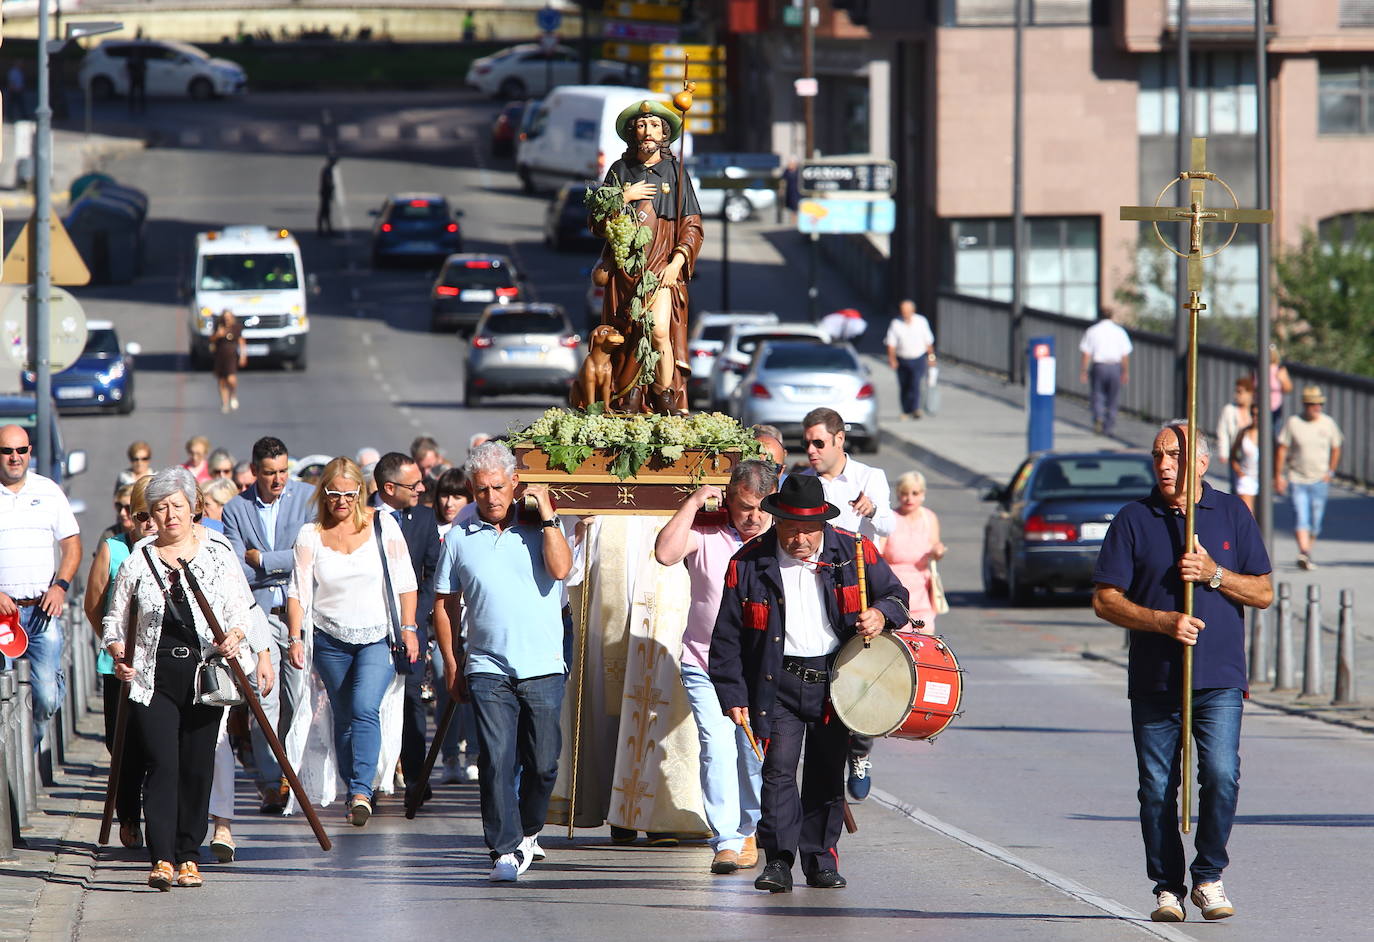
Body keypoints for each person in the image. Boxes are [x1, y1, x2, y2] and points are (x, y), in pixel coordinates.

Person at [1092, 421, 1272, 923]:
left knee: (1221, 775)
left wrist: (1213, 574)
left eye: (1175, 454)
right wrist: (1162, 621)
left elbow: (1262, 592)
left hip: (1218, 678)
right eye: (1157, 455)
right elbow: (1105, 600)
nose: (1165, 464)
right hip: (1155, 679)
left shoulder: (1232, 512)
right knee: (1156, 788)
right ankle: (1166, 886)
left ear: (1201, 461)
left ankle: (1209, 875)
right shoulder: (1133, 518)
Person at [709, 474, 909, 893]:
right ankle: (778, 862)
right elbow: (726, 637)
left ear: (822, 525)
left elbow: (896, 596)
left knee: (825, 772)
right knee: (778, 771)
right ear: (776, 522)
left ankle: (820, 861)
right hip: (775, 680)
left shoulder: (854, 550)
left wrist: (880, 614)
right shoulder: (747, 562)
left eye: (807, 531)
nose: (799, 539)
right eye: (790, 529)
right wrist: (732, 694)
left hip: (836, 681)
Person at [102, 467, 273, 890]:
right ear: (151, 516)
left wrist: (239, 639)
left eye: (177, 506)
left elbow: (242, 609)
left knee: (197, 767)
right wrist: (118, 652)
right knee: (163, 763)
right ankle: (161, 857)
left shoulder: (217, 553)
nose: (170, 515)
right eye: (160, 509)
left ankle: (188, 854)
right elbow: (113, 620)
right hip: (152, 674)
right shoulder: (138, 560)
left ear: (194, 508)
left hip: (205, 674)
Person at [432, 442, 570, 882]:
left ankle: (529, 830)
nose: (490, 497)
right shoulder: (459, 535)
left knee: (544, 760)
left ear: (515, 484)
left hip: (544, 662)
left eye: (498, 487)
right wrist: (453, 664)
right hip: (487, 665)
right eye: (481, 489)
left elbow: (562, 569)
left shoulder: (542, 525)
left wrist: (547, 516)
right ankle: (503, 849)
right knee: (494, 757)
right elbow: (444, 602)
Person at [654, 461, 777, 874]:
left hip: (759, 669)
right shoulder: (708, 532)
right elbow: (665, 552)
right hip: (704, 661)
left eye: (761, 508)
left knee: (753, 751)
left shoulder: (778, 543)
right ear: (728, 500)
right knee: (717, 746)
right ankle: (725, 838)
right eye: (744, 507)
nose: (753, 517)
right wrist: (692, 502)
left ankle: (751, 828)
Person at [286, 458, 418, 825]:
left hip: (377, 637)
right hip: (329, 639)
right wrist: (295, 638)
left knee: (363, 706)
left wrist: (408, 628)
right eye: (333, 493)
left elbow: (406, 583)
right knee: (343, 716)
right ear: (323, 493)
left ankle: (362, 790)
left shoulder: (383, 525)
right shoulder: (310, 535)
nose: (341, 501)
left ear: (360, 492)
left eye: (349, 493)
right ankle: (353, 789)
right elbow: (297, 591)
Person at [796, 407, 895, 801]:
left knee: (862, 678)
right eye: (807, 443)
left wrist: (874, 510)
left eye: (819, 442)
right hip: (812, 590)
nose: (812, 450)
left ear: (840, 439)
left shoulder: (870, 478)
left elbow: (889, 526)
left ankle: (860, 751)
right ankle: (824, 755)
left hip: (857, 587)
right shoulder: (801, 480)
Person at [221, 436, 316, 813]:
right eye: (270, 473)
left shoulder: (308, 498)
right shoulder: (236, 509)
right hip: (258, 617)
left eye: (283, 472)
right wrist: (279, 561)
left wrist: (263, 560)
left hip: (297, 616)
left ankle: (289, 767)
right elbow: (234, 568)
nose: (278, 480)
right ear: (255, 472)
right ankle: (271, 780)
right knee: (265, 700)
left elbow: (308, 558)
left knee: (296, 700)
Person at [595, 99, 704, 414]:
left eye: (655, 125)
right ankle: (628, 395)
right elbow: (598, 224)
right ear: (633, 132)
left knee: (658, 331)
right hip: (625, 271)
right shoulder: (619, 170)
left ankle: (663, 394)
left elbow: (692, 225)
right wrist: (622, 197)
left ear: (664, 133)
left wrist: (677, 262)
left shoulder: (675, 171)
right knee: (627, 334)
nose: (648, 131)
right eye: (642, 125)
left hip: (660, 269)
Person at [84, 475, 156, 849]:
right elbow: (93, 604)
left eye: (153, 514)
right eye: (140, 514)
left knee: (153, 745)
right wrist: (113, 644)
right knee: (122, 744)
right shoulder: (113, 550)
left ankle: (155, 816)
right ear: (129, 516)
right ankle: (129, 814)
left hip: (159, 667)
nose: (147, 523)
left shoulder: (169, 550)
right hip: (119, 666)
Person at [0, 425, 81, 751]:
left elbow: (72, 545)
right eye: (7, 451)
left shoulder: (48, 491)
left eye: (21, 450)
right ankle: (9, 771)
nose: (15, 457)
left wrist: (60, 587)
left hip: (40, 610)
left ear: (30, 452)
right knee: (3, 699)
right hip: (3, 616)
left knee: (46, 697)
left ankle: (29, 749)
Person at [371, 452, 442, 806]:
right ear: (388, 487)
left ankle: (415, 776)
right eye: (413, 484)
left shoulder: (424, 518)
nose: (422, 488)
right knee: (368, 703)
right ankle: (366, 779)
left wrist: (414, 618)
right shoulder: (360, 517)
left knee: (412, 699)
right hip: (367, 626)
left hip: (412, 629)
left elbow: (433, 574)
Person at [429, 466, 474, 782]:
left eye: (458, 495)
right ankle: (449, 757)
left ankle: (474, 753)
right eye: (445, 494)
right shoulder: (429, 530)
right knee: (447, 681)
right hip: (439, 626)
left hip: (473, 621)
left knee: (475, 688)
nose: (449, 502)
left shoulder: (472, 530)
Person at [1275, 386, 1343, 570]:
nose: (1317, 407)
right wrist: (1279, 475)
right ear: (1305, 405)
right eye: (1313, 404)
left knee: (1315, 521)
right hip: (1297, 478)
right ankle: (1304, 552)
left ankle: (1307, 550)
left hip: (1320, 478)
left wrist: (1331, 471)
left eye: (1319, 404)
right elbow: (1282, 448)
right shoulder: (1294, 422)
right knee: (1301, 516)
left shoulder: (1327, 423)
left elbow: (1336, 446)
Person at [883, 471, 946, 634]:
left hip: (921, 589)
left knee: (926, 638)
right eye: (904, 493)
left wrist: (938, 551)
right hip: (895, 588)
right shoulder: (890, 518)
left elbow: (935, 548)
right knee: (901, 639)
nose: (909, 498)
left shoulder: (929, 517)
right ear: (898, 494)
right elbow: (878, 554)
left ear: (923, 494)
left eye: (914, 493)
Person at [1079, 307, 1132, 436]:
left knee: (1098, 394)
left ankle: (1098, 417)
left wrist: (1084, 370)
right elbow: (1125, 354)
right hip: (1115, 366)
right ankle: (1109, 425)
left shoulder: (1092, 331)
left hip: (1099, 366)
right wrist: (1125, 372)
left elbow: (1087, 353)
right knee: (1113, 397)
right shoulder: (1119, 331)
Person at [884, 300, 936, 420]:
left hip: (918, 358)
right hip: (902, 358)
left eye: (907, 311)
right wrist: (892, 359)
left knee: (915, 383)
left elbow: (928, 341)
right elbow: (891, 343)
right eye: (903, 311)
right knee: (904, 385)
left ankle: (916, 408)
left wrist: (931, 357)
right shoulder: (896, 323)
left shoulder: (921, 322)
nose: (905, 313)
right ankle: (906, 410)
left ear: (912, 311)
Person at [1214, 377, 1254, 493]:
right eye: (1236, 391)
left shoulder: (1255, 410)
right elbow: (1222, 431)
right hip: (1236, 455)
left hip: (1252, 457)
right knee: (1237, 487)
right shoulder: (1229, 409)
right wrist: (1223, 453)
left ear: (1250, 393)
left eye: (1240, 392)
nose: (1237, 395)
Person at [210, 311, 247, 413]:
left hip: (231, 357)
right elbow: (211, 339)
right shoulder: (219, 327)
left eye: (228, 317)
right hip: (220, 356)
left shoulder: (236, 328)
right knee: (222, 381)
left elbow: (241, 342)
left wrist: (243, 356)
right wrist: (218, 335)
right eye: (225, 317)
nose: (227, 319)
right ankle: (225, 403)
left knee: (231, 379)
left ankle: (233, 394)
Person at [1229, 404, 1261, 515]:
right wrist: (1239, 471)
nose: (1256, 417)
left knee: (1260, 512)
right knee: (1248, 512)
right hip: (1246, 476)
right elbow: (1233, 454)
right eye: (1253, 414)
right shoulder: (1244, 432)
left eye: (1258, 415)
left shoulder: (1268, 434)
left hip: (1261, 478)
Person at [1263, 344, 1293, 436]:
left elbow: (1288, 388)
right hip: (1259, 406)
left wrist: (1281, 379)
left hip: (1275, 407)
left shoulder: (1279, 369)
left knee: (1274, 433)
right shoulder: (1257, 368)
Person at [95, 484, 135, 550]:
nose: (122, 513)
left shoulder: (151, 532)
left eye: (128, 508)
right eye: (119, 506)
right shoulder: (109, 535)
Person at [317, 154, 338, 237]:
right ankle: (322, 230)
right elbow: (327, 181)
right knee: (324, 211)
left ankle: (327, 229)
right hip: (325, 193)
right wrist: (331, 187)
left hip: (326, 193)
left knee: (326, 212)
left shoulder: (328, 170)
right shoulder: (327, 170)